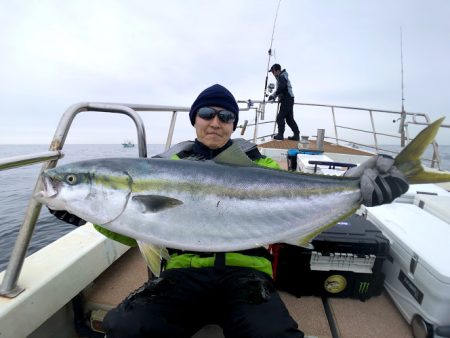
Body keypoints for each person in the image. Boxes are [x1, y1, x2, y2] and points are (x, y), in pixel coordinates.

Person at [49, 84, 409, 338]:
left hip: (247, 276)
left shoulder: (261, 165)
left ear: (234, 125)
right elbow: (134, 225)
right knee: (125, 327)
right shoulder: (167, 165)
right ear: (195, 119)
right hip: (181, 275)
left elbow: (299, 197)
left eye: (225, 116)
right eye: (207, 113)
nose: (215, 121)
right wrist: (87, 215)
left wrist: (357, 187)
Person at [268, 63, 300, 141]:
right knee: (289, 119)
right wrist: (275, 96)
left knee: (280, 117)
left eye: (273, 71)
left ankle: (280, 135)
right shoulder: (282, 77)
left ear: (277, 70)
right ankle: (296, 135)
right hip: (288, 99)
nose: (273, 73)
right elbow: (282, 88)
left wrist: (273, 95)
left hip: (287, 99)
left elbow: (282, 87)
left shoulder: (282, 77)